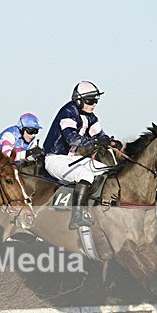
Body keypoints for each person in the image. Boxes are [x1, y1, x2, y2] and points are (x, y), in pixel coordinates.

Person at [43, 81, 122, 229]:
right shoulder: (67, 112)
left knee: (106, 170)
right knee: (86, 175)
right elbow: (72, 138)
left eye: (96, 101)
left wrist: (111, 142)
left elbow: (99, 135)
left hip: (70, 158)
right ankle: (77, 216)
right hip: (54, 159)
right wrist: (96, 142)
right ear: (79, 101)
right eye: (90, 101)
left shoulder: (90, 117)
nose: (94, 104)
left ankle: (95, 205)